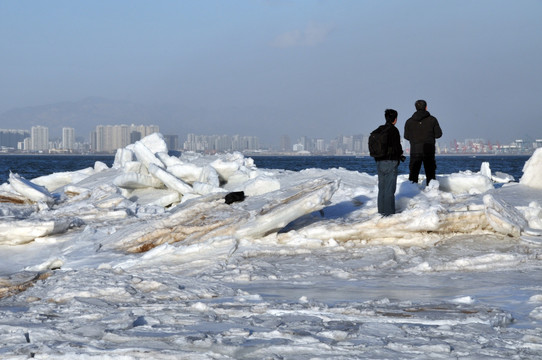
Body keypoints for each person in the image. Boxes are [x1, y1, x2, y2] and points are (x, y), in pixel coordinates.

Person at [404, 99, 442, 185]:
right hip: (429, 150)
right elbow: (438, 134)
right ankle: (431, 193)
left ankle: (412, 193)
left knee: (413, 174)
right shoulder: (432, 120)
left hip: (415, 151)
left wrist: (415, 140)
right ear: (426, 107)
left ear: (415, 108)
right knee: (430, 174)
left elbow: (406, 136)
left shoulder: (409, 121)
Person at [374, 108, 404, 216]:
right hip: (391, 162)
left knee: (381, 189)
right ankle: (389, 215)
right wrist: (400, 155)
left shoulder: (379, 129)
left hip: (379, 161)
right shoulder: (394, 130)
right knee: (389, 190)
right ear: (395, 119)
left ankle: (380, 213)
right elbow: (397, 147)